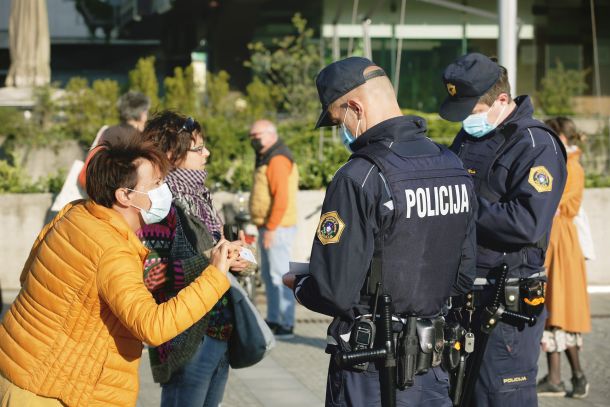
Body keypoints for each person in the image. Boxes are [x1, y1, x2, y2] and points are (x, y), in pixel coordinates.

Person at [284, 56, 477, 406]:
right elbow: (463, 276)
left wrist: (300, 284)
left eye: (336, 120)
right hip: (432, 366)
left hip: (371, 370)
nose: (339, 130)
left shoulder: (360, 176)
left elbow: (334, 291)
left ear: (355, 108)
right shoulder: (452, 166)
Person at [0, 138, 239, 407]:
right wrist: (216, 275)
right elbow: (153, 326)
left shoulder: (74, 214)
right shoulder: (113, 249)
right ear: (124, 195)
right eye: (156, 184)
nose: (164, 191)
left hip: (21, 369)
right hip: (57, 390)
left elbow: (27, 276)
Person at [439, 53, 567, 406]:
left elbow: (526, 222)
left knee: (499, 396)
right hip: (465, 296)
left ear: (501, 100)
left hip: (506, 303)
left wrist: (461, 208)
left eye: (472, 111)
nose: (466, 119)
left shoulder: (535, 145)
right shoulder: (470, 138)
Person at [139, 111, 250, 407]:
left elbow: (211, 257)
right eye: (198, 148)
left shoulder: (199, 195)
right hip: (186, 340)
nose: (207, 153)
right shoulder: (159, 202)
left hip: (217, 331)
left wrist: (232, 257)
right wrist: (211, 263)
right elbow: (149, 274)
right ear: (173, 154)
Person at [537, 117, 590, 398]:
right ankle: (556, 377)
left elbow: (560, 204)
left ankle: (577, 377)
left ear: (562, 138)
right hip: (556, 240)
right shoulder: (566, 162)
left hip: (561, 242)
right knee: (553, 309)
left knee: (560, 309)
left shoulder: (570, 165)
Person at [249, 119, 299, 338]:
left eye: (256, 136)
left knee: (280, 275)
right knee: (271, 276)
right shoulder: (267, 156)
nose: (253, 141)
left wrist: (270, 228)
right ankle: (274, 319)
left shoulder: (277, 158)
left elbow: (281, 198)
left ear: (270, 134)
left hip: (277, 228)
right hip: (271, 227)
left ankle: (286, 324)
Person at [78, 91, 151, 190]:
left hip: (97, 186)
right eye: (146, 113)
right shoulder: (138, 138)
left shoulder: (108, 131)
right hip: (118, 193)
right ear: (141, 114)